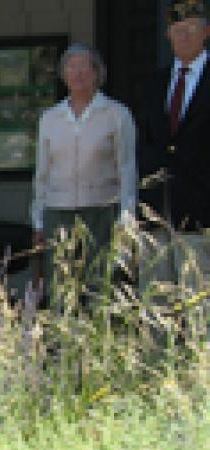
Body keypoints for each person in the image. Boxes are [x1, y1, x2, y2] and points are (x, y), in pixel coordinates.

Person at [29, 43, 136, 297]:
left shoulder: (116, 114)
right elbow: (42, 172)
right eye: (71, 67)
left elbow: (127, 168)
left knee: (99, 288)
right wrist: (38, 220)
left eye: (84, 67)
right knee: (61, 289)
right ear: (64, 74)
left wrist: (126, 218)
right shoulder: (50, 118)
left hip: (101, 212)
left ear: (97, 73)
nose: (77, 73)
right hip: (59, 212)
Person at [137, 0, 210, 232]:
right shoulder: (156, 84)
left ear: (206, 32)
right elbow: (147, 143)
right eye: (178, 31)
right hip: (159, 213)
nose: (184, 37)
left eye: (191, 29)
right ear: (168, 35)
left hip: (204, 214)